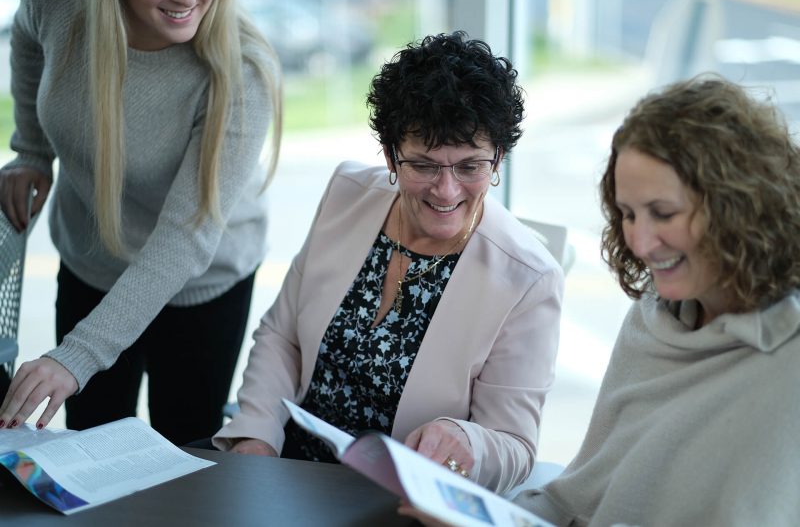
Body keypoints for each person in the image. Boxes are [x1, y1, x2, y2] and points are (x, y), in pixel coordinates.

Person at [403, 74, 800, 526]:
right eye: (628, 214)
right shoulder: (653, 318)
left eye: (663, 214)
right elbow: (580, 499)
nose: (642, 242)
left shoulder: (788, 364)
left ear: (741, 207)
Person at [212, 31, 564, 494]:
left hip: (399, 499)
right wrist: (256, 438)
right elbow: (283, 337)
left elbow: (515, 446)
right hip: (288, 468)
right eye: (424, 165)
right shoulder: (347, 193)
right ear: (390, 158)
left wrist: (466, 441)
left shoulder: (528, 278)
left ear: (497, 159)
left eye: (469, 166)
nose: (447, 190)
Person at [0, 0, 282, 446]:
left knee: (185, 450)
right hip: (92, 260)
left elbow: (184, 238)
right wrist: (31, 149)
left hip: (201, 284)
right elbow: (28, 40)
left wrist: (78, 356)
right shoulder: (56, 3)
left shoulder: (243, 69)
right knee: (89, 442)